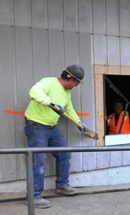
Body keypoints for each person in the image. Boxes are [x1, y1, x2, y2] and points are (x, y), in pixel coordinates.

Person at [24, 64, 88, 209]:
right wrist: (50, 103)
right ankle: (32, 197)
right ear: (70, 78)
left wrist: (78, 122)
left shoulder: (66, 92)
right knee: (38, 161)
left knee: (64, 153)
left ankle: (61, 186)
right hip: (36, 126)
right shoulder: (48, 82)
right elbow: (34, 92)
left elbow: (69, 109)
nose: (76, 85)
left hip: (51, 127)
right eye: (76, 83)